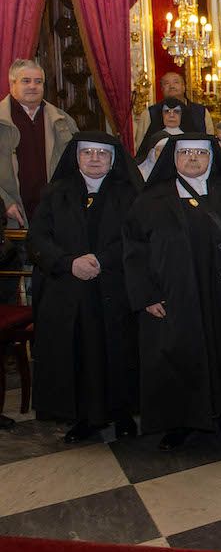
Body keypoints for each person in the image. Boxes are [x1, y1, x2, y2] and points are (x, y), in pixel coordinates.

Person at [123, 136, 221, 450]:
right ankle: (180, 421)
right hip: (174, 294)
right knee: (178, 354)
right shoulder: (150, 199)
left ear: (211, 157)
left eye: (200, 153)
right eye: (186, 152)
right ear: (172, 158)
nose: (193, 159)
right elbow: (134, 251)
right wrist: (147, 294)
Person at [28, 133, 140, 443]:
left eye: (101, 154)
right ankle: (83, 417)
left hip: (115, 288)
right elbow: (37, 239)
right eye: (87, 153)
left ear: (113, 159)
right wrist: (68, 263)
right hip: (68, 289)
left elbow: (139, 238)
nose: (93, 158)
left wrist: (102, 260)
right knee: (79, 354)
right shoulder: (55, 192)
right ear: (76, 158)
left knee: (118, 352)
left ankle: (123, 413)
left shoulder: (130, 194)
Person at [0, 59, 79, 230]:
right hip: (11, 216)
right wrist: (4, 203)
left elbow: (77, 165)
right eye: (26, 81)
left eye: (38, 81)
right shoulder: (2, 120)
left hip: (56, 215)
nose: (33, 86)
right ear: (12, 84)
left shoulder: (62, 121)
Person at [132, 72, 214, 148]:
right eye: (167, 83)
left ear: (184, 87)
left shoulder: (201, 112)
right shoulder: (150, 113)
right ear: (162, 89)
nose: (171, 86)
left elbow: (210, 142)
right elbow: (141, 146)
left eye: (176, 82)